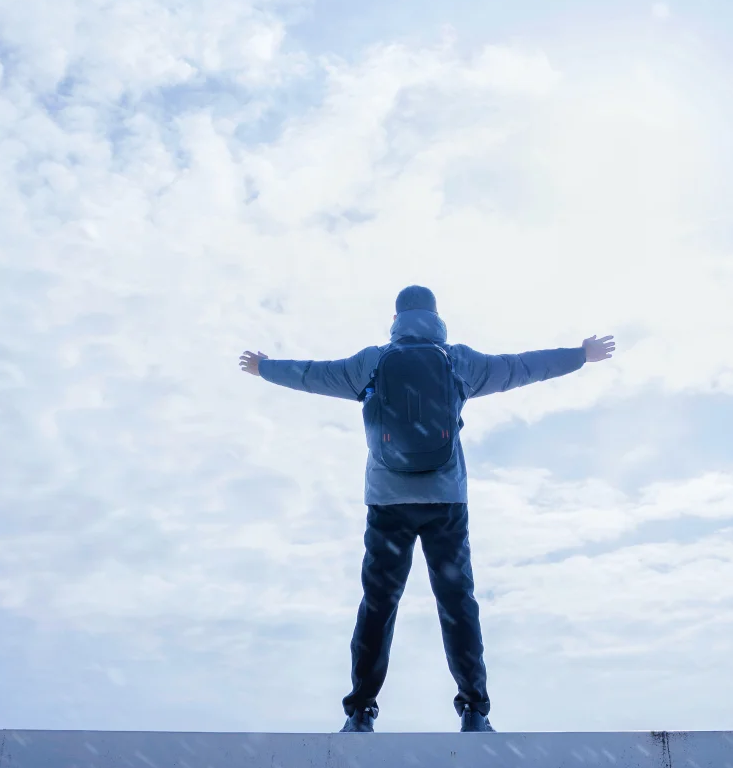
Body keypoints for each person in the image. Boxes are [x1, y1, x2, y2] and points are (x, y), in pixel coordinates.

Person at [240, 286, 615, 733]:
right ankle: (475, 710)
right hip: (446, 502)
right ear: (436, 316)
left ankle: (361, 711)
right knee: (457, 604)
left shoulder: (370, 363)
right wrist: (579, 355)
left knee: (378, 606)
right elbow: (521, 368)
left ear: (396, 319)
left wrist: (265, 368)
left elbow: (311, 374)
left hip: (387, 503)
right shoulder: (458, 360)